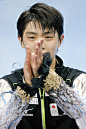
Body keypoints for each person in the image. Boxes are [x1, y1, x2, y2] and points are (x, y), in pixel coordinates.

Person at [0, 2, 86, 129]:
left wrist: (53, 83)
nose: (40, 45)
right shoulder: (7, 84)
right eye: (32, 37)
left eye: (48, 37)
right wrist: (25, 90)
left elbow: (81, 114)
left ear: (60, 40)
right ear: (21, 41)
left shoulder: (79, 80)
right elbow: (2, 124)